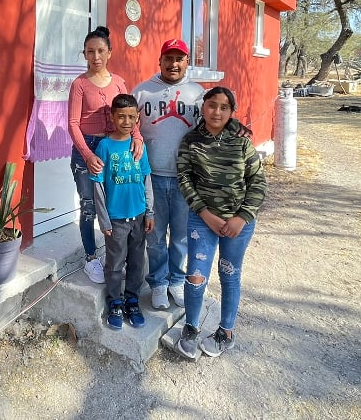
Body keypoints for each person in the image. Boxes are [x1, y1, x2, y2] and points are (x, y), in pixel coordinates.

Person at [132, 39, 251, 311]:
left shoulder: (197, 94)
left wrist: (237, 126)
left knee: (182, 236)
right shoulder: (142, 93)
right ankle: (158, 283)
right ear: (160, 61)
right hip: (151, 177)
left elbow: (217, 117)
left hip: (188, 179)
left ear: (187, 62)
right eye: (169, 58)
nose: (174, 64)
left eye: (180, 59)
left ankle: (176, 279)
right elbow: (128, 125)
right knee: (155, 234)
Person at [173, 86, 267, 359]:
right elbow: (185, 180)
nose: (217, 112)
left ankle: (225, 333)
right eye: (212, 105)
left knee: (229, 274)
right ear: (203, 107)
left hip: (239, 224)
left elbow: (258, 183)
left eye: (224, 107)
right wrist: (205, 214)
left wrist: (242, 217)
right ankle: (190, 326)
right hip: (202, 220)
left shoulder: (241, 142)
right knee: (195, 274)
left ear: (231, 112)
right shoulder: (190, 141)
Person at [68, 26, 143, 284]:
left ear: (109, 52)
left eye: (101, 51)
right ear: (85, 54)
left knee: (114, 207)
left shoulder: (120, 82)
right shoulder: (79, 85)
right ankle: (91, 258)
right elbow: (73, 124)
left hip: (115, 149)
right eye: (90, 52)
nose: (96, 56)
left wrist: (137, 137)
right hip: (86, 150)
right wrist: (88, 155)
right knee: (89, 206)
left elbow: (130, 114)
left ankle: (115, 256)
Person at [90, 94, 154, 329]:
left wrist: (150, 212)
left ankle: (132, 300)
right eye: (121, 116)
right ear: (112, 117)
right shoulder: (104, 146)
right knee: (115, 263)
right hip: (116, 220)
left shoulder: (139, 146)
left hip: (138, 216)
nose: (126, 121)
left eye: (131, 117)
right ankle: (115, 302)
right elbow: (98, 185)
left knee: (137, 261)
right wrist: (103, 220)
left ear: (137, 118)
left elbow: (146, 178)